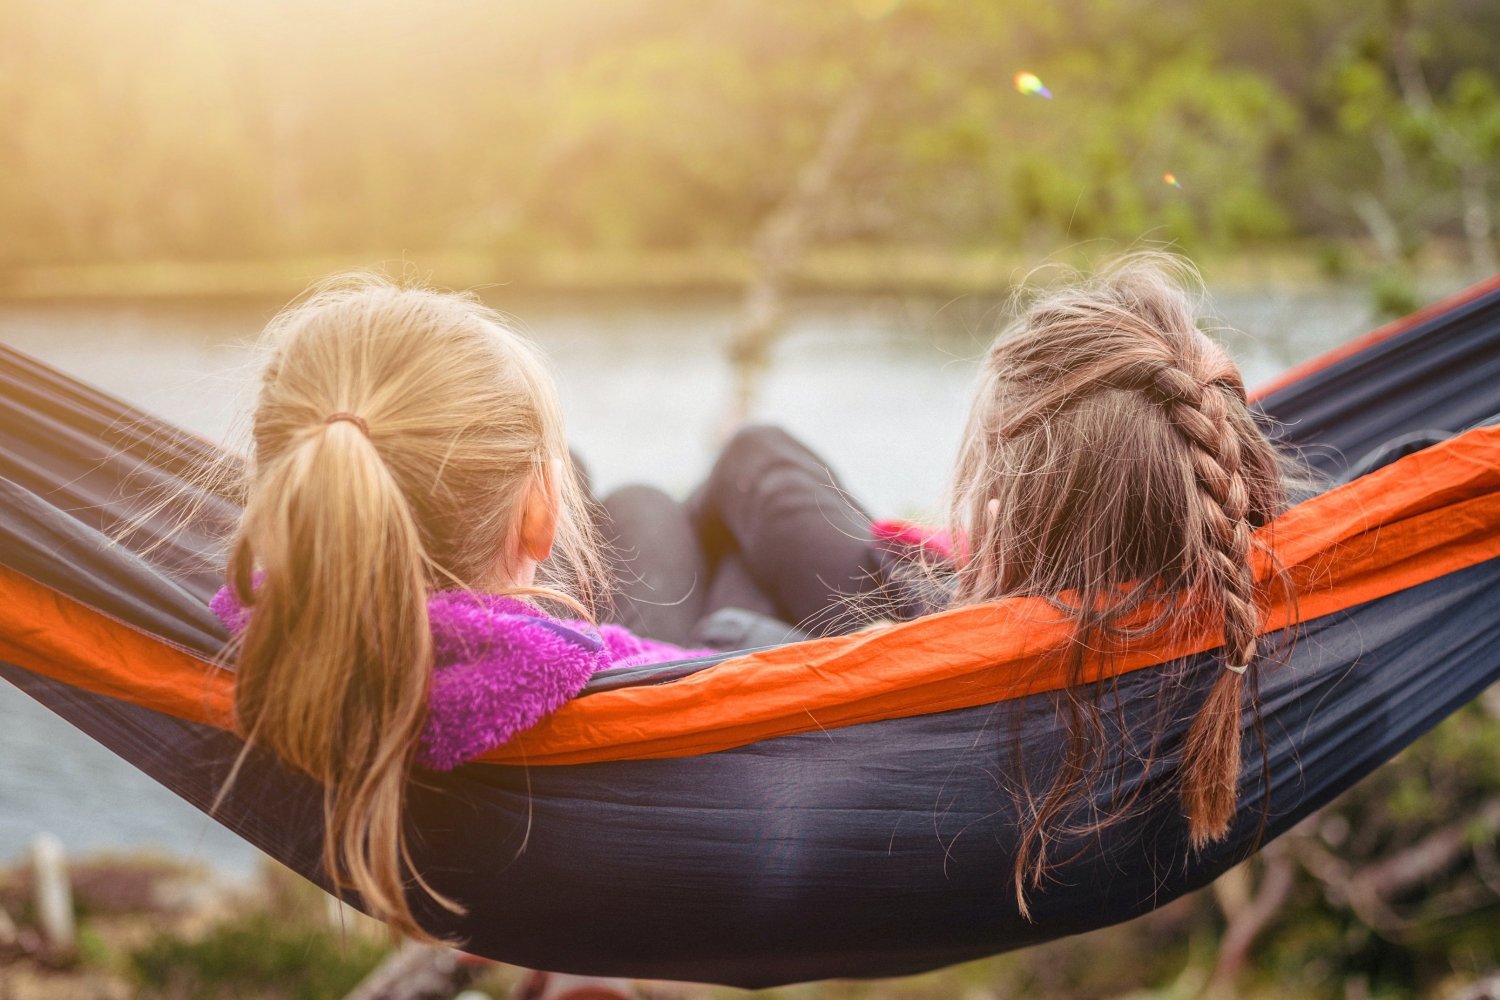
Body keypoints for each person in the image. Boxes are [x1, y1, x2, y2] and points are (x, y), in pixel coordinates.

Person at [608, 253, 1294, 910]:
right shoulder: (1273, 602)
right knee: (729, 503)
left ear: (1003, 516)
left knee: (661, 499)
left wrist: (988, 582)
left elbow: (732, 638)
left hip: (909, 645)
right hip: (964, 621)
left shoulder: (966, 690)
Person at [210, 275, 708, 944]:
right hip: (684, 723)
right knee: (711, 479)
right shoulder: (608, 673)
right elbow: (740, 679)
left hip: (508, 864)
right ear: (542, 516)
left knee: (610, 484)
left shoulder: (265, 639)